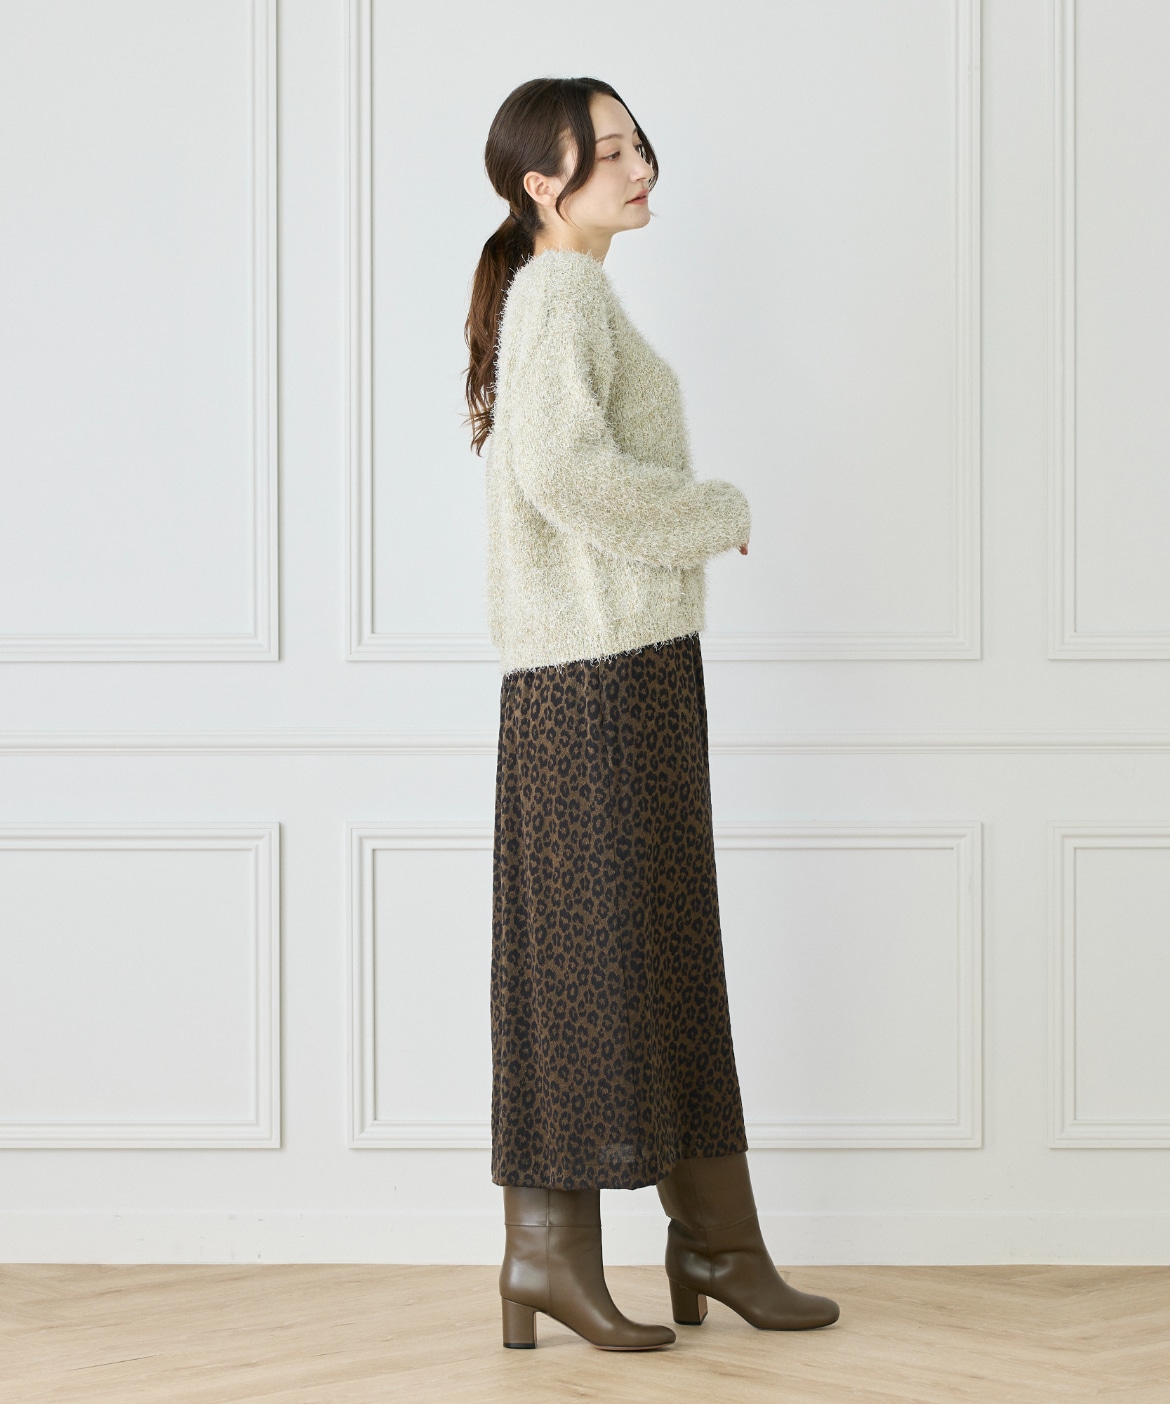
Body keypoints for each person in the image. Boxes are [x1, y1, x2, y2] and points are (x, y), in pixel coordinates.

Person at [463, 76, 840, 1352]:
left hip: (624, 667)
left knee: (664, 957)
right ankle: (549, 1254)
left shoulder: (570, 291)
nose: (639, 169)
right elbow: (563, 471)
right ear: (542, 183)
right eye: (609, 151)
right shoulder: (559, 292)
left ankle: (715, 1245)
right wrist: (713, 512)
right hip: (593, 679)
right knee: (592, 970)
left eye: (638, 146)